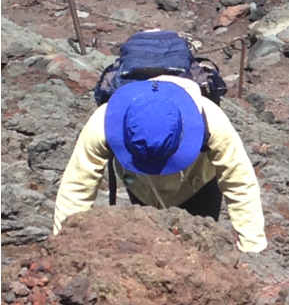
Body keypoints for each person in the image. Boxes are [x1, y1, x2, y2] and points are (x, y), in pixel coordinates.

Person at [54, 76, 267, 252]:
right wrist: (62, 247)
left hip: (197, 185)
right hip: (141, 185)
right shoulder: (101, 125)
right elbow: (76, 188)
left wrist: (252, 248)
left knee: (201, 248)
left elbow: (240, 183)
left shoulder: (212, 121)